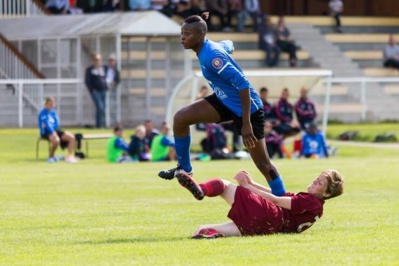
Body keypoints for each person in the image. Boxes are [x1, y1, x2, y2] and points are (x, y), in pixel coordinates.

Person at [158, 13, 286, 197]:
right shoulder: (210, 48)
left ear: (201, 35)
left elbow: (243, 85)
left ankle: (285, 203)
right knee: (180, 118)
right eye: (182, 33)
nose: (183, 37)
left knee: (263, 164)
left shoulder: (212, 56)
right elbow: (228, 43)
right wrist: (227, 47)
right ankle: (185, 170)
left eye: (187, 33)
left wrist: (246, 123)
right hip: (224, 100)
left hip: (248, 109)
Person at [173, 168, 344, 238]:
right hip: (268, 228)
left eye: (320, 183)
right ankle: (211, 235)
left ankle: (201, 190)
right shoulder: (313, 203)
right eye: (317, 178)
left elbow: (276, 200)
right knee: (200, 230)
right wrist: (252, 183)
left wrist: (247, 186)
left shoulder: (312, 201)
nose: (315, 181)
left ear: (327, 194)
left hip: (270, 216)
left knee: (223, 185)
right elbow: (278, 193)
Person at [38, 97, 77, 163]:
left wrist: (54, 130)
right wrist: (52, 132)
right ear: (46, 104)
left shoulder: (53, 112)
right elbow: (46, 124)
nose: (51, 106)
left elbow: (57, 123)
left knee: (71, 137)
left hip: (55, 130)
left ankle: (69, 156)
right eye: (49, 104)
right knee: (56, 140)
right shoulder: (42, 113)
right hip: (46, 132)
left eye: (52, 104)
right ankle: (51, 156)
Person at [85, 53, 108, 128]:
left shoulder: (104, 68)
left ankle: (103, 124)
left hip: (103, 91)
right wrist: (92, 90)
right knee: (100, 107)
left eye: (98, 60)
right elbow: (87, 81)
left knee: (103, 108)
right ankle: (99, 125)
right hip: (95, 92)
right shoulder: (90, 70)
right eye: (95, 60)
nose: (97, 61)